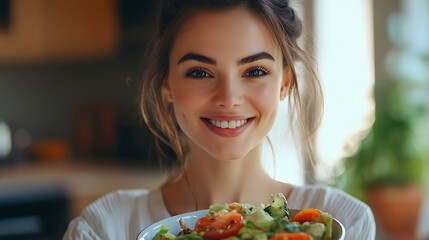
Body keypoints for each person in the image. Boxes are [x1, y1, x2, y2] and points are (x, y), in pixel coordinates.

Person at [63, 0, 376, 239]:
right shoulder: (105, 229)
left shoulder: (345, 221)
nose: (228, 97)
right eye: (199, 72)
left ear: (285, 83)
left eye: (255, 71)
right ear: (166, 83)